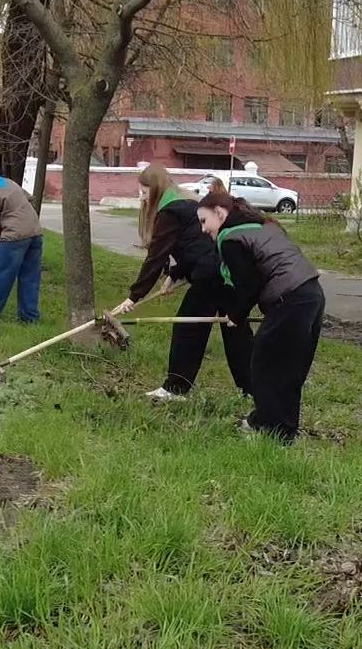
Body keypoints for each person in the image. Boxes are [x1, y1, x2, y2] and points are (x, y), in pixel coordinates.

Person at [109, 163, 250, 401]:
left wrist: (134, 296)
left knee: (189, 329)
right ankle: (253, 388)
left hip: (211, 275)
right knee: (235, 328)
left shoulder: (169, 212)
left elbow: (156, 257)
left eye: (144, 192)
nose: (142, 198)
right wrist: (176, 274)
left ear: (155, 189)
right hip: (224, 271)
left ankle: (176, 388)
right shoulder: (186, 202)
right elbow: (195, 246)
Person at [197, 191, 324, 442]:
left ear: (220, 213)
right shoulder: (261, 226)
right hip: (312, 294)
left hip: (290, 300)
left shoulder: (230, 238)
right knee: (289, 369)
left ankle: (267, 427)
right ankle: (280, 429)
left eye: (203, 220)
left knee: (264, 365)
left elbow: (249, 286)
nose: (203, 229)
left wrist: (236, 314)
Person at [0, 157, 44, 322]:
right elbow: (30, 197)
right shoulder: (7, 182)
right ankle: (29, 317)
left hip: (14, 235)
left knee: (0, 273)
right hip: (35, 231)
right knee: (30, 276)